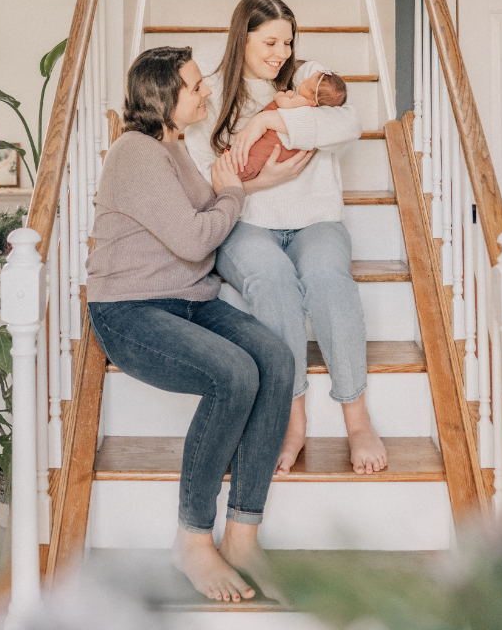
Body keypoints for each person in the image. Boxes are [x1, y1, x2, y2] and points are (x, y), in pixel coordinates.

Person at [86, 46, 294, 603]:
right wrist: (233, 192)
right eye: (195, 85)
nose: (206, 92)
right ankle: (193, 540)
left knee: (275, 359)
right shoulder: (134, 152)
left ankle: (243, 535)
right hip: (130, 310)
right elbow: (200, 234)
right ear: (164, 97)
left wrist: (243, 185)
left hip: (190, 300)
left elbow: (208, 210)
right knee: (233, 373)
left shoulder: (172, 146)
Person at [185, 0, 389, 477]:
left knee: (327, 279)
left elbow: (351, 122)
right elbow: (208, 177)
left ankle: (356, 419)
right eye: (269, 42)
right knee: (274, 282)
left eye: (287, 42)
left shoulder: (305, 76)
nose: (280, 53)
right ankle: (291, 418)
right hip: (246, 225)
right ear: (243, 38)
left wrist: (275, 119)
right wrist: (264, 181)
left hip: (316, 221)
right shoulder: (210, 93)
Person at [238, 71, 348, 181]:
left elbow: (285, 104)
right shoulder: (307, 104)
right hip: (273, 136)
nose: (303, 81)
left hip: (274, 141)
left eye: (306, 84)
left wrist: (279, 95)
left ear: (313, 101)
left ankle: (238, 172)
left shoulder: (305, 102)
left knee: (254, 157)